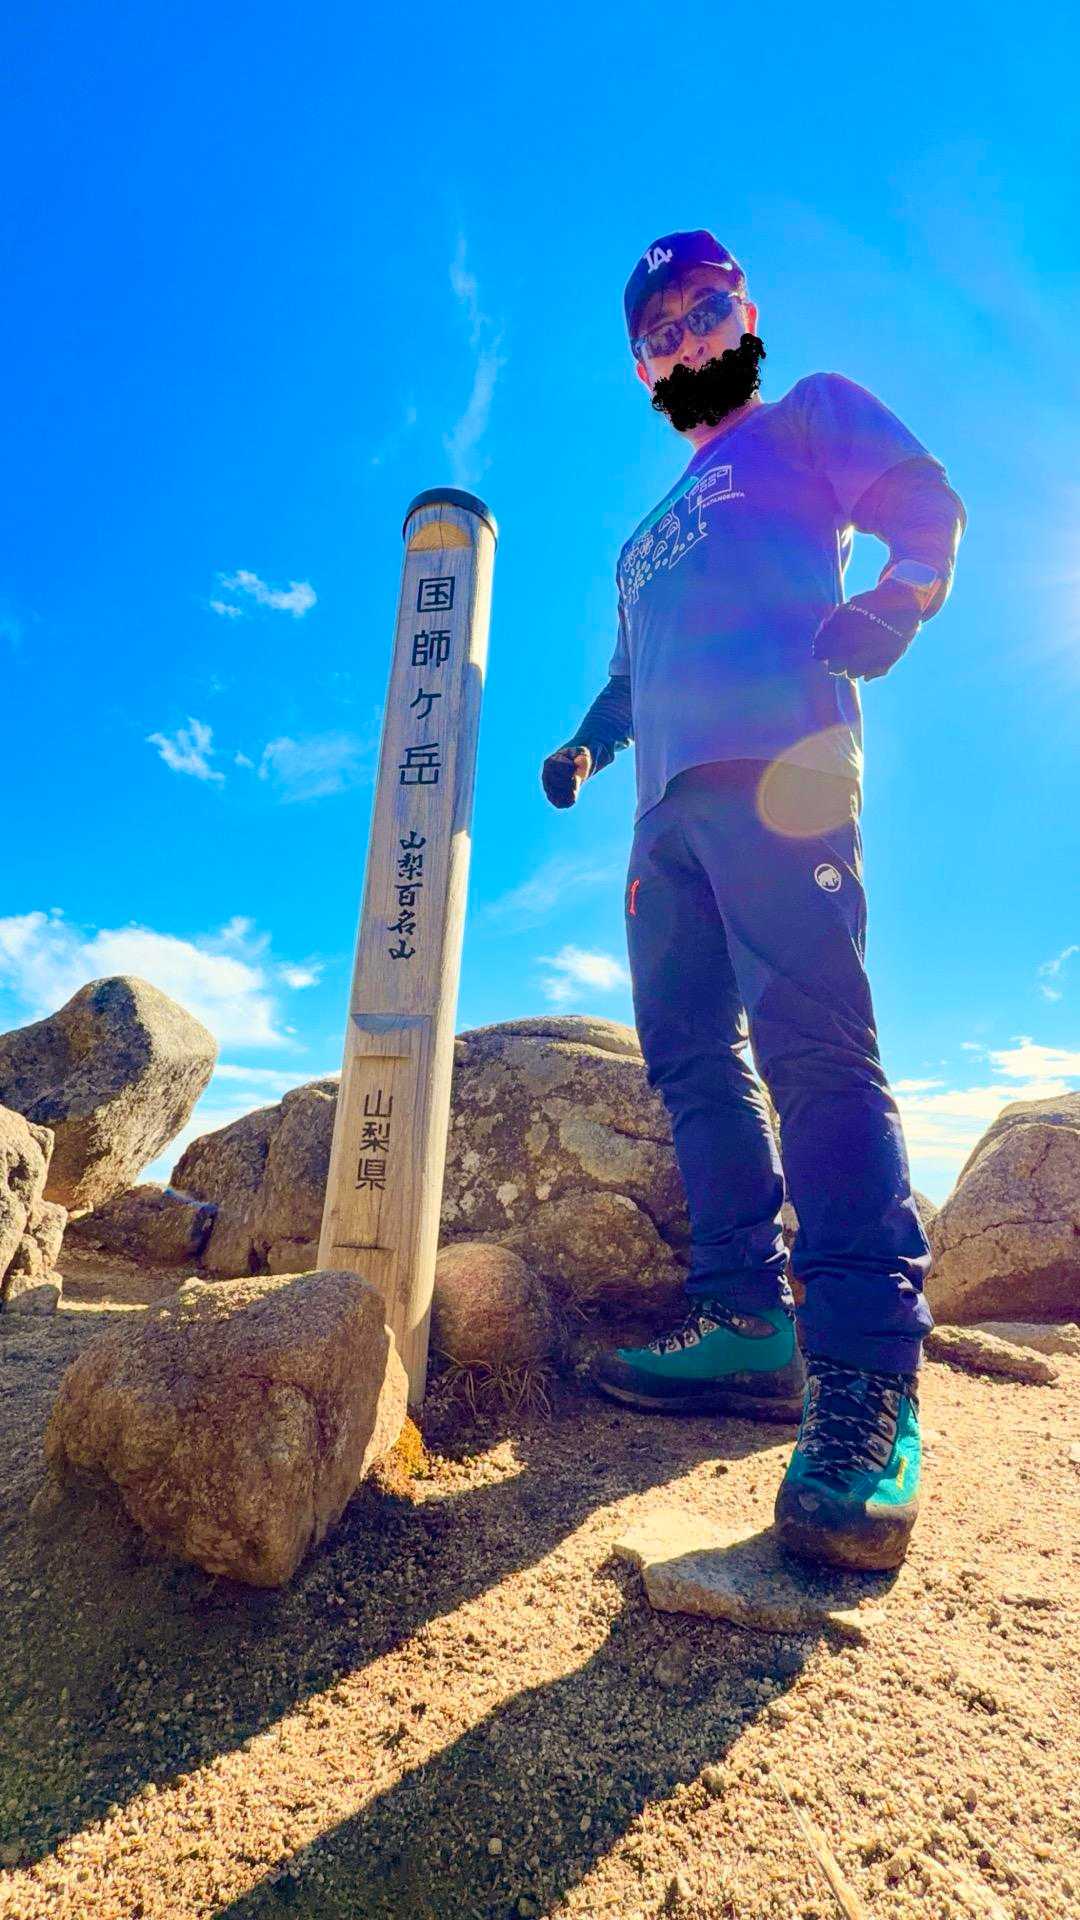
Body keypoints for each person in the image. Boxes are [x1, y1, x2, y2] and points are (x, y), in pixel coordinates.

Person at [541, 229, 966, 1573]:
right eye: (659, 333)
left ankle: (867, 1381)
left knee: (816, 1046)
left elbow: (924, 501)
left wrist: (903, 594)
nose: (687, 342)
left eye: (705, 311)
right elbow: (627, 678)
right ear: (642, 369)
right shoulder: (638, 541)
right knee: (690, 1063)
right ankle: (741, 1321)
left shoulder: (808, 418)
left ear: (747, 312)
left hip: (785, 770)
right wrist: (588, 747)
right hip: (661, 819)